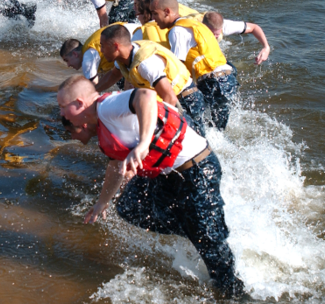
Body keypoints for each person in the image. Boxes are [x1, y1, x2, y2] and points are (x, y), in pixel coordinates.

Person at [57, 76, 245, 298]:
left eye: (62, 107)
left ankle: (233, 292)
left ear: (79, 103)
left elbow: (145, 95)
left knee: (211, 248)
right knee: (129, 207)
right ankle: (195, 232)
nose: (61, 114)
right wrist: (102, 203)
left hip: (197, 169)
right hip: (168, 175)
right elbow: (115, 164)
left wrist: (144, 144)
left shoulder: (105, 106)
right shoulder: (104, 124)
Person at [99, 23, 207, 135]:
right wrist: (91, 90)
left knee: (196, 143)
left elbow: (170, 98)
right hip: (173, 97)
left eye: (103, 45)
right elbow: (113, 76)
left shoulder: (145, 64)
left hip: (185, 99)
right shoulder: (123, 56)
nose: (101, 50)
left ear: (116, 47)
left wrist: (153, 131)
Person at [150, 0, 237, 130]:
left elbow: (177, 69)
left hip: (213, 83)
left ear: (167, 12)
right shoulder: (193, 24)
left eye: (155, 14)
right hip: (227, 79)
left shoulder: (177, 31)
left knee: (198, 128)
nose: (153, 19)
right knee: (216, 130)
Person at [59, 23, 139, 91]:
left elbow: (93, 88)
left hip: (134, 36)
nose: (68, 65)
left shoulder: (88, 58)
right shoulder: (89, 49)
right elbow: (110, 77)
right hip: (132, 30)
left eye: (67, 60)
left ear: (75, 54)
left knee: (130, 84)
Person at [202, 11, 270, 65]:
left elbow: (254, 28)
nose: (213, 37)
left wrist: (266, 47)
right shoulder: (194, 31)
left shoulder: (225, 26)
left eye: (216, 34)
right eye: (211, 33)